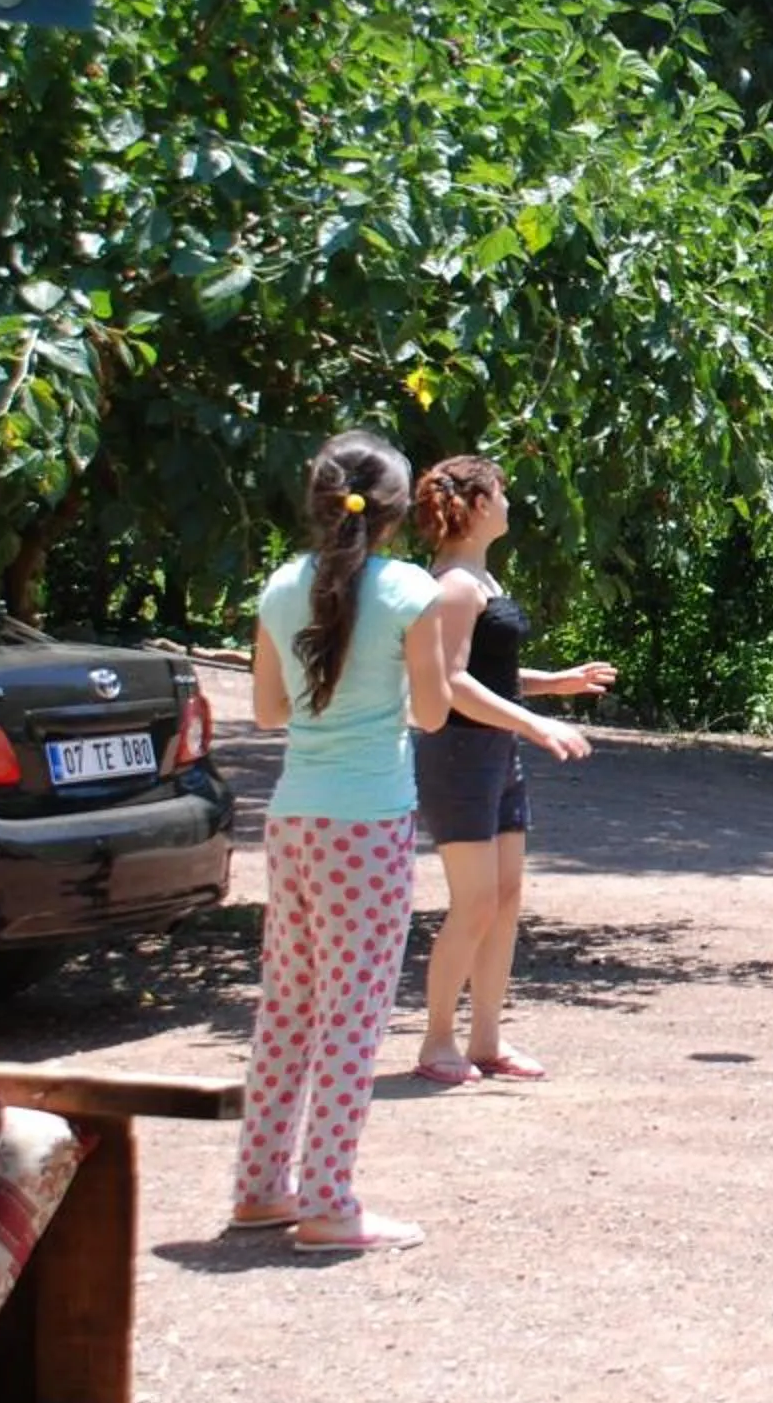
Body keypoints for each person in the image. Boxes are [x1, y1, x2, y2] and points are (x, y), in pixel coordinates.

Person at [231, 430, 453, 1253]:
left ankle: (261, 1188)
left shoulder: (282, 584)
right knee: (353, 1017)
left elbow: (267, 711)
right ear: (395, 512)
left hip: (293, 820)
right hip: (368, 825)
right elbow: (432, 714)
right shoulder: (408, 591)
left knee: (286, 1008)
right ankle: (328, 1203)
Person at [408, 455, 616, 1087]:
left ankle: (487, 1041)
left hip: (497, 755)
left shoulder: (482, 581)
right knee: (472, 903)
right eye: (499, 493)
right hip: (459, 757)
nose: (508, 504)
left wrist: (555, 685)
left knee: (503, 901)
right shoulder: (453, 586)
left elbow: (490, 673)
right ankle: (437, 1042)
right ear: (473, 505)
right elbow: (449, 682)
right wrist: (534, 724)